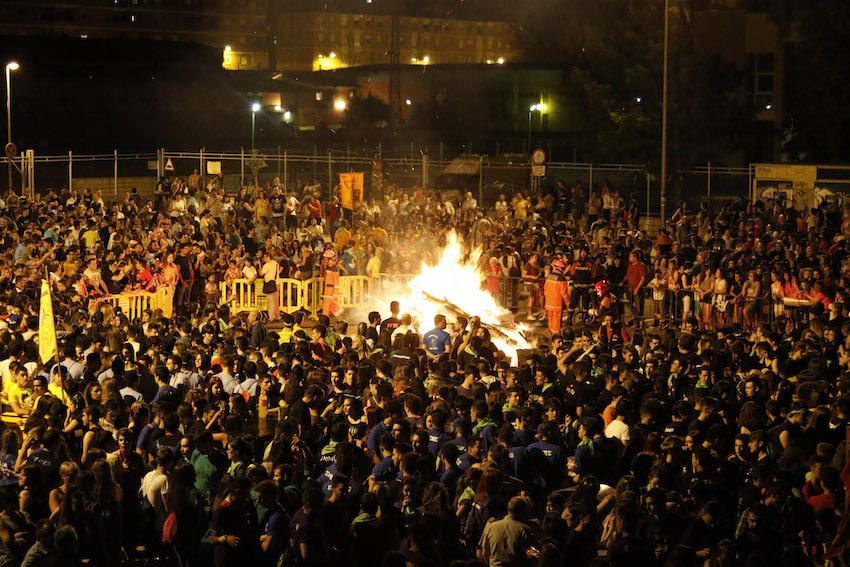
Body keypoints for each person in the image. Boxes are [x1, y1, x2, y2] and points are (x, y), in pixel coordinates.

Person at [543, 259, 569, 334]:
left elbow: (545, 289)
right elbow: (563, 293)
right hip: (557, 304)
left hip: (548, 303)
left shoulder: (549, 276)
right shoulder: (561, 278)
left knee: (550, 319)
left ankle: (550, 333)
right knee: (556, 321)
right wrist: (568, 303)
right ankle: (555, 336)